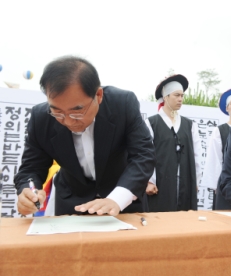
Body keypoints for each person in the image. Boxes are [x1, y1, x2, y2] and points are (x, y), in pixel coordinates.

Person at [14, 56, 155, 216]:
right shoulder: (41, 118)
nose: (67, 121)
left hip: (122, 200)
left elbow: (143, 155)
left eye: (77, 111)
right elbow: (32, 167)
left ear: (99, 95)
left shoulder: (122, 104)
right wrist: (28, 189)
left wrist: (117, 198)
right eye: (57, 111)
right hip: (71, 203)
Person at [145, 74, 202, 212]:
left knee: (184, 220)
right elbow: (146, 153)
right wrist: (149, 181)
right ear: (165, 97)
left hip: (185, 180)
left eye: (182, 96)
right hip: (161, 182)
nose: (180, 99)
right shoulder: (152, 123)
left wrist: (196, 180)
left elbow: (197, 155)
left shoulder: (189, 125)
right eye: (176, 95)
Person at [201, 88, 231, 210]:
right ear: (227, 108)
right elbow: (214, 158)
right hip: (226, 182)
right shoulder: (220, 130)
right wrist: (218, 185)